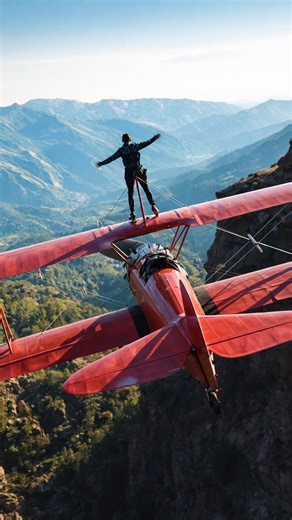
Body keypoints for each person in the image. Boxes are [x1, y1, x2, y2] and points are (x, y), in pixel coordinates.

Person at [96, 133, 161, 221]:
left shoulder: (121, 150)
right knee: (146, 188)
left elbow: (112, 158)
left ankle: (132, 213)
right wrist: (154, 138)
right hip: (139, 170)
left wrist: (102, 163)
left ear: (122, 141)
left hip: (129, 173)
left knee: (130, 192)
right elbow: (147, 143)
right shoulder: (135, 146)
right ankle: (153, 206)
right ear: (130, 139)